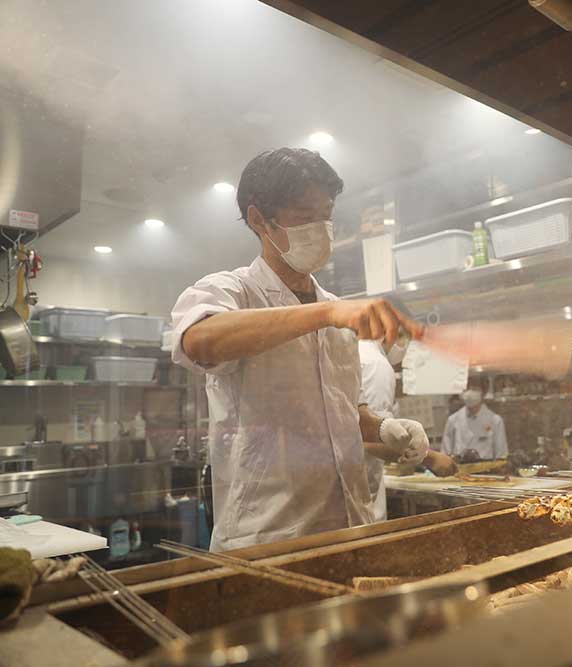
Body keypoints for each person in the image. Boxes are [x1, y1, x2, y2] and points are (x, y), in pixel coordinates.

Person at [171, 147, 428, 552]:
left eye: (325, 215)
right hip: (269, 536)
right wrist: (324, 312)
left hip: (348, 528)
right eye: (304, 216)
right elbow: (199, 340)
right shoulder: (233, 290)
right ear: (259, 220)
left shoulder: (335, 314)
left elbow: (340, 409)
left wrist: (381, 427)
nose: (321, 228)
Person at [359, 338, 458, 521]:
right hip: (361, 497)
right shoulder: (375, 364)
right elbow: (369, 436)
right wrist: (429, 458)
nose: (405, 345)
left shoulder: (360, 355)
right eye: (405, 337)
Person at [442, 388, 509, 461]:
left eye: (474, 387)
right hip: (460, 468)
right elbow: (445, 455)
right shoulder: (453, 420)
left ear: (483, 393)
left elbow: (501, 455)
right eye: (467, 388)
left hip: (486, 469)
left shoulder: (495, 421)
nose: (470, 392)